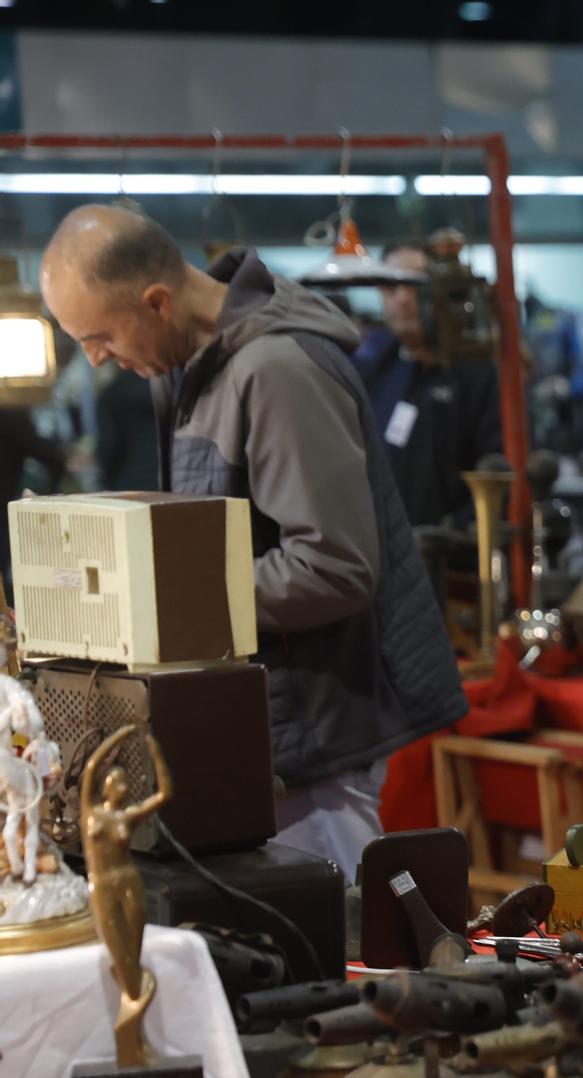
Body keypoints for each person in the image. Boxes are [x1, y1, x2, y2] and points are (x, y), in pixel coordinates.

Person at [39, 205, 468, 879]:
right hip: (257, 737)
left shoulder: (277, 370)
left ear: (155, 302)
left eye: (97, 336)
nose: (94, 358)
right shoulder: (182, 370)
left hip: (316, 740)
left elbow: (336, 565)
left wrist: (165, 606)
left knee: (338, 960)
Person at [352, 241, 504, 530]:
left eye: (416, 285)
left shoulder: (476, 374)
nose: (404, 299)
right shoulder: (374, 370)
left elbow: (499, 474)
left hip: (456, 559)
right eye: (392, 288)